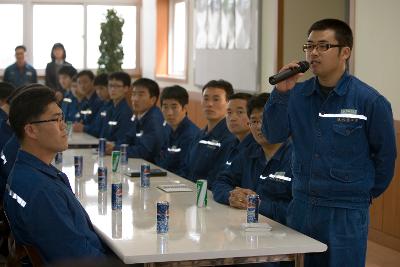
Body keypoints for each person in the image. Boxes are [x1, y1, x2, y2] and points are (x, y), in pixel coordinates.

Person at [262, 19, 396, 267]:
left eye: (323, 46)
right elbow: (273, 134)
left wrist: (359, 192)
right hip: (301, 205)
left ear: (345, 52)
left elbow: (386, 158)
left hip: (344, 211)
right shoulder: (296, 95)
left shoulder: (370, 101)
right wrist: (281, 92)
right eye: (309, 46)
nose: (313, 53)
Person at [4, 84, 106, 264]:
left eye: (63, 118)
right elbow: (77, 258)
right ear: (31, 130)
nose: (63, 126)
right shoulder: (42, 191)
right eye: (56, 119)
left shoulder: (27, 170)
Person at [213, 93, 293, 226]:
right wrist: (232, 196)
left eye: (264, 120)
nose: (259, 127)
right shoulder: (249, 153)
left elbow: (298, 211)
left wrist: (259, 205)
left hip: (282, 234)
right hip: (246, 227)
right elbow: (220, 182)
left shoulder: (296, 158)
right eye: (254, 121)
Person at [180, 79, 235, 189]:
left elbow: (217, 178)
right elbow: (185, 167)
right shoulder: (199, 134)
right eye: (206, 99)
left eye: (216, 99)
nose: (209, 104)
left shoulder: (230, 138)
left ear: (228, 104)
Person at [106, 78, 167, 163]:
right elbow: (128, 138)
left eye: (141, 95)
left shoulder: (154, 119)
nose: (135, 99)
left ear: (152, 100)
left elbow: (144, 152)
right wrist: (114, 146)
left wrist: (115, 149)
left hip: (151, 168)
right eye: (133, 94)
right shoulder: (141, 115)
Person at [157, 85, 200, 174]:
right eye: (165, 107)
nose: (169, 113)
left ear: (184, 108)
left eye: (174, 107)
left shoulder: (191, 135)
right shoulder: (167, 128)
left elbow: (185, 171)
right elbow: (161, 159)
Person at [224, 92, 254, 168]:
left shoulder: (256, 149)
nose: (233, 118)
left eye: (240, 112)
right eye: (229, 112)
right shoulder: (228, 144)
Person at [100, 71, 132, 141]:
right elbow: (103, 134)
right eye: (110, 86)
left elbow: (122, 140)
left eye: (117, 86)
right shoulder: (109, 109)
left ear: (126, 88)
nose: (112, 89)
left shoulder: (126, 112)